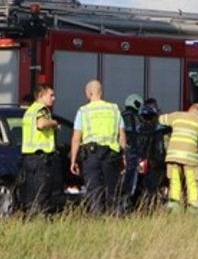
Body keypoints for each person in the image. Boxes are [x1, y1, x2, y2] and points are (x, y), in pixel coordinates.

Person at [70, 80, 127, 214]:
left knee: (93, 190)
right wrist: (123, 156)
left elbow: (76, 138)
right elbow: (122, 135)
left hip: (91, 155)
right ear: (101, 92)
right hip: (111, 155)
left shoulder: (83, 111)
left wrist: (73, 160)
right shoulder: (114, 109)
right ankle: (114, 218)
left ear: (89, 93)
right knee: (112, 190)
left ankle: (97, 218)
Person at [158, 103, 198, 213]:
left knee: (175, 180)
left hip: (173, 155)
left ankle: (174, 207)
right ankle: (194, 208)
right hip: (190, 158)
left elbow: (160, 119)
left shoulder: (177, 115)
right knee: (192, 182)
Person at [20, 85, 61, 214]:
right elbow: (41, 124)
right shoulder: (41, 109)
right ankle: (40, 219)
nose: (53, 98)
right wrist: (55, 123)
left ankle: (31, 218)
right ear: (41, 96)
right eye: (51, 95)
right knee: (43, 192)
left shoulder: (29, 111)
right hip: (41, 158)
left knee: (31, 193)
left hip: (29, 158)